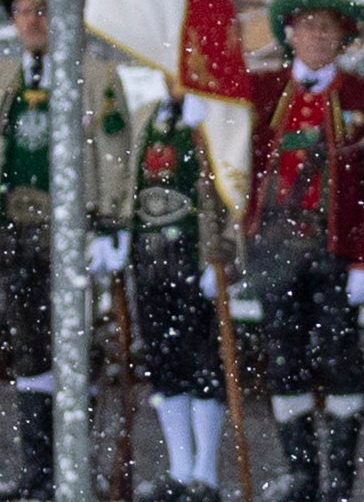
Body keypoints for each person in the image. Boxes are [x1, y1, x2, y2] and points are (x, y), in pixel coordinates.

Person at [0, 0, 134, 501]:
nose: (33, 21)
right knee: (29, 349)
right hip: (13, 229)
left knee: (75, 346)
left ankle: (73, 465)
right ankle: (39, 468)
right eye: (22, 11)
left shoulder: (96, 77)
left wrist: (111, 220)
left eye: (42, 10)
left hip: (71, 231)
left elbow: (113, 152)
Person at [235, 0, 364, 502]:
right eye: (308, 26)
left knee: (341, 360)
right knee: (283, 360)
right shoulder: (261, 91)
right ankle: (301, 474)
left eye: (328, 28)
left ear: (341, 39)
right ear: (290, 33)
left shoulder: (362, 95)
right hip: (275, 252)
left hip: (335, 254)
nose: (318, 37)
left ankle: (340, 479)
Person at [109, 87, 232, 502]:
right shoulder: (146, 114)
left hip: (194, 257)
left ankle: (206, 473)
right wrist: (118, 232)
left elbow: (235, 186)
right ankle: (180, 470)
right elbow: (127, 179)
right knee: (164, 363)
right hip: (149, 260)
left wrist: (226, 256)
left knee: (203, 363)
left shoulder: (214, 115)